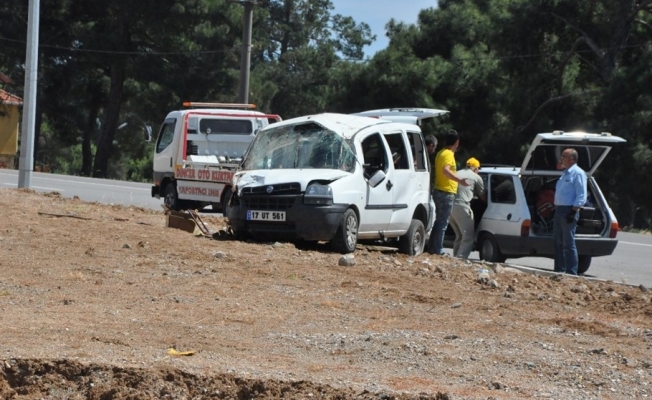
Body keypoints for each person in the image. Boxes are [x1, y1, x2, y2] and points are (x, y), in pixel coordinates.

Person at [427, 130, 469, 255]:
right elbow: (446, 171)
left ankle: (433, 248)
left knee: (438, 222)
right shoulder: (448, 155)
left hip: (439, 190)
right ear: (457, 142)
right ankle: (438, 249)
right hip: (446, 192)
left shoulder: (440, 153)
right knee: (442, 223)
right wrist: (459, 180)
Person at [553, 148, 587, 275]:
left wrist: (574, 211)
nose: (561, 159)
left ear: (571, 159)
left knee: (568, 244)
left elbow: (581, 194)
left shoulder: (578, 173)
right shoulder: (565, 173)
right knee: (557, 242)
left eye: (564, 156)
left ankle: (571, 272)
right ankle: (559, 270)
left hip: (569, 210)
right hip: (560, 210)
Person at [449, 157, 485, 258]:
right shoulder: (476, 177)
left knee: (459, 236)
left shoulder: (456, 173)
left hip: (450, 208)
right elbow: (482, 196)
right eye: (478, 169)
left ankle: (455, 258)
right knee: (468, 237)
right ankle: (461, 260)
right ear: (475, 168)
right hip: (462, 207)